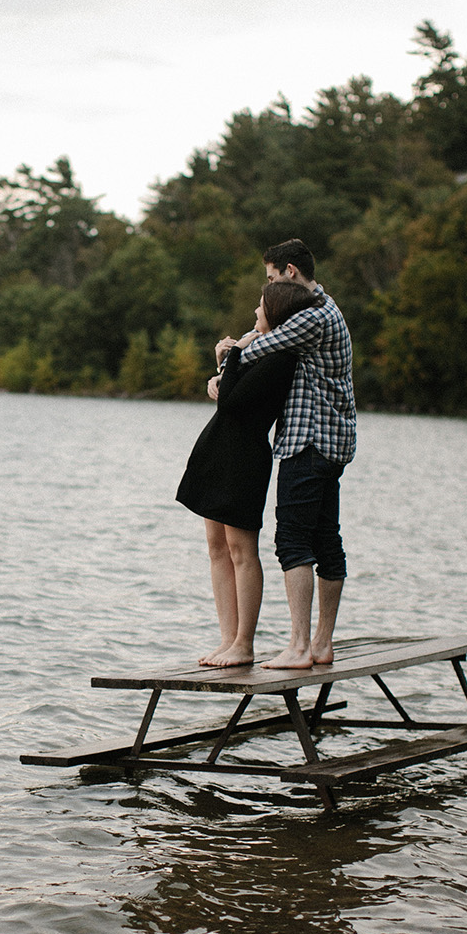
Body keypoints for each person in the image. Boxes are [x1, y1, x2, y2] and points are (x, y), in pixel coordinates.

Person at [213, 238, 357, 669]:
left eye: (272, 278)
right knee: (326, 539)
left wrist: (228, 350)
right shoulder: (327, 309)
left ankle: (298, 646)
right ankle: (320, 644)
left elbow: (256, 347)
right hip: (333, 443)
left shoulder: (311, 317)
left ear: (290, 272)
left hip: (309, 442)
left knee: (293, 542)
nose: (270, 289)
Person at [176, 281, 325, 667]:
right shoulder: (254, 348)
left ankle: (244, 643)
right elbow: (227, 393)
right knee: (216, 547)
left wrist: (232, 357)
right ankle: (227, 639)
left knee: (242, 550)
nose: (254, 314)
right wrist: (225, 363)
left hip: (245, 455)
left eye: (260, 308)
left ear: (274, 314)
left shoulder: (280, 355)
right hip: (217, 448)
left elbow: (235, 400)